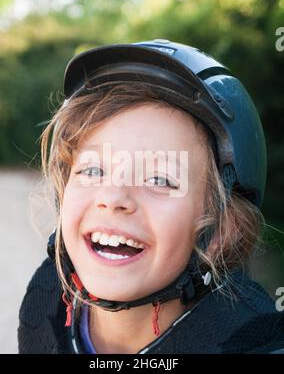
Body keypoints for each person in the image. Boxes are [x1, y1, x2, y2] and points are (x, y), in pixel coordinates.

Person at [18, 39, 284, 354]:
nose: (113, 197)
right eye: (92, 171)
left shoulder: (252, 341)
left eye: (158, 179)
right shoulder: (46, 301)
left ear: (224, 231)